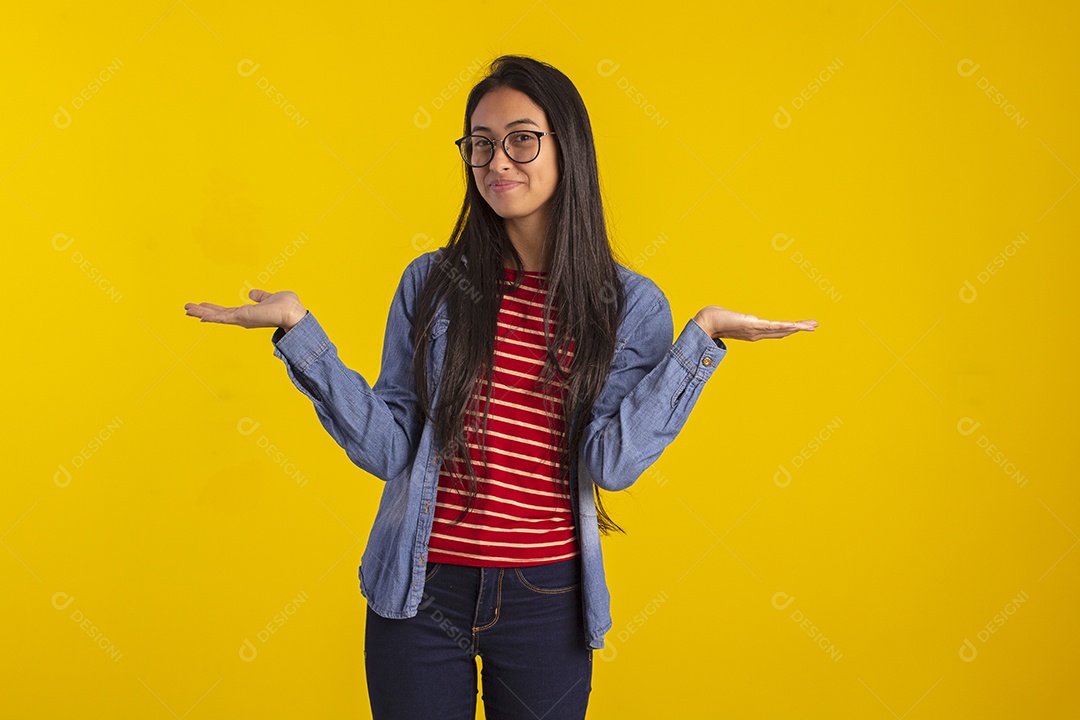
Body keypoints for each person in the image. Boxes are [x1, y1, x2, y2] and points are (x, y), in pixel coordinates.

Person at [185, 54, 817, 720]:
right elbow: (389, 449)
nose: (497, 161)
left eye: (521, 138)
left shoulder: (629, 305)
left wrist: (702, 341)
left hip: (547, 600)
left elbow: (612, 463)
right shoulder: (431, 283)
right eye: (480, 144)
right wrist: (299, 335)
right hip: (418, 593)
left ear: (566, 148)